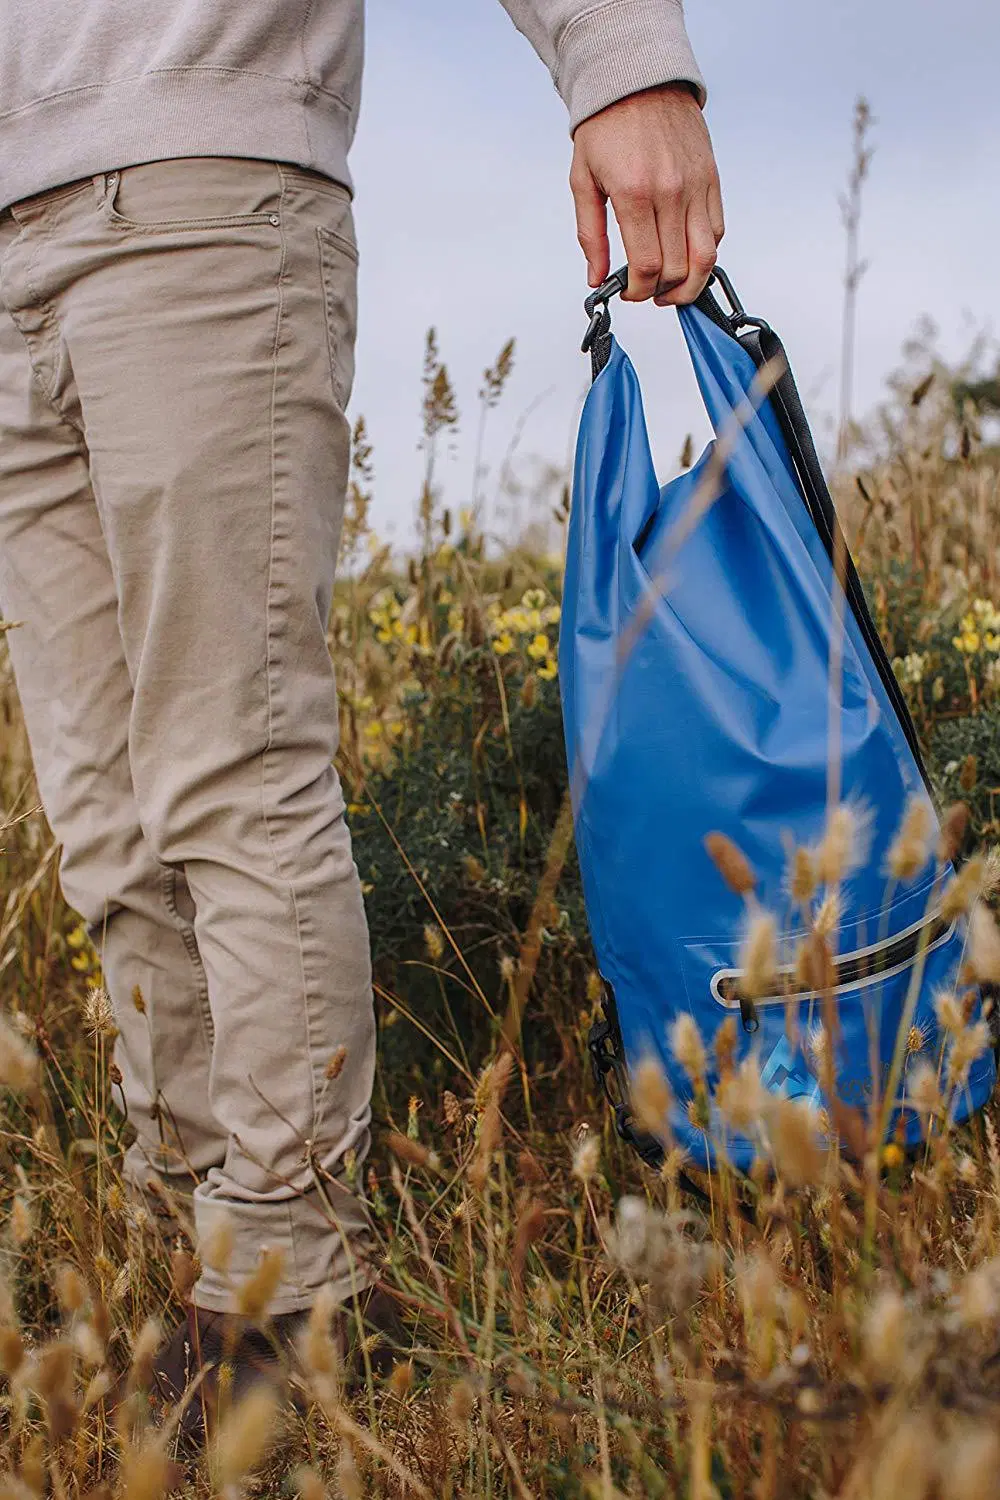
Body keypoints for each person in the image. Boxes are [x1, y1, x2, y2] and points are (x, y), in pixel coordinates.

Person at [0, 0, 722, 1423]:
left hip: (203, 186)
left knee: (229, 772)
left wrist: (623, 61)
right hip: (11, 226)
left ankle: (290, 1292)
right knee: (104, 821)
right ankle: (186, 1233)